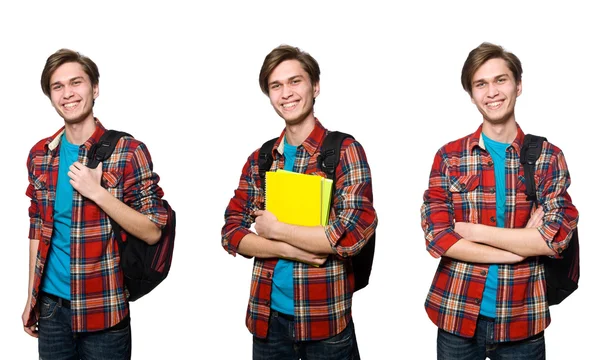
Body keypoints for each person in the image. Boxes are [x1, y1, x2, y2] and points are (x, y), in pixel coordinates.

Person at [420, 42, 579, 360]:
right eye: (481, 84)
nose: (492, 92)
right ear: (472, 93)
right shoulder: (450, 157)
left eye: (500, 80)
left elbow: (555, 239)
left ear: (518, 85)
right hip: (456, 314)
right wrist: (518, 250)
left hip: (523, 319)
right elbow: (437, 237)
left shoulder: (547, 157)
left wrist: (471, 231)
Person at [221, 44, 377, 360]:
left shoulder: (344, 151)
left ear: (315, 86)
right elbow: (231, 232)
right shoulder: (261, 159)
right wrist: (289, 247)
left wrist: (273, 228)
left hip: (326, 322)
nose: (286, 93)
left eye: (295, 81)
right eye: (276, 86)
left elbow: (349, 236)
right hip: (267, 323)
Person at [22, 48, 168, 360]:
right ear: (50, 96)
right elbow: (38, 228)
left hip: (104, 311)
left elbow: (154, 231)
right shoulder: (40, 155)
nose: (68, 93)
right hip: (50, 311)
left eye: (76, 82)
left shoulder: (128, 151)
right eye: (57, 86)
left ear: (95, 88)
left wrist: (97, 192)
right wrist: (30, 298)